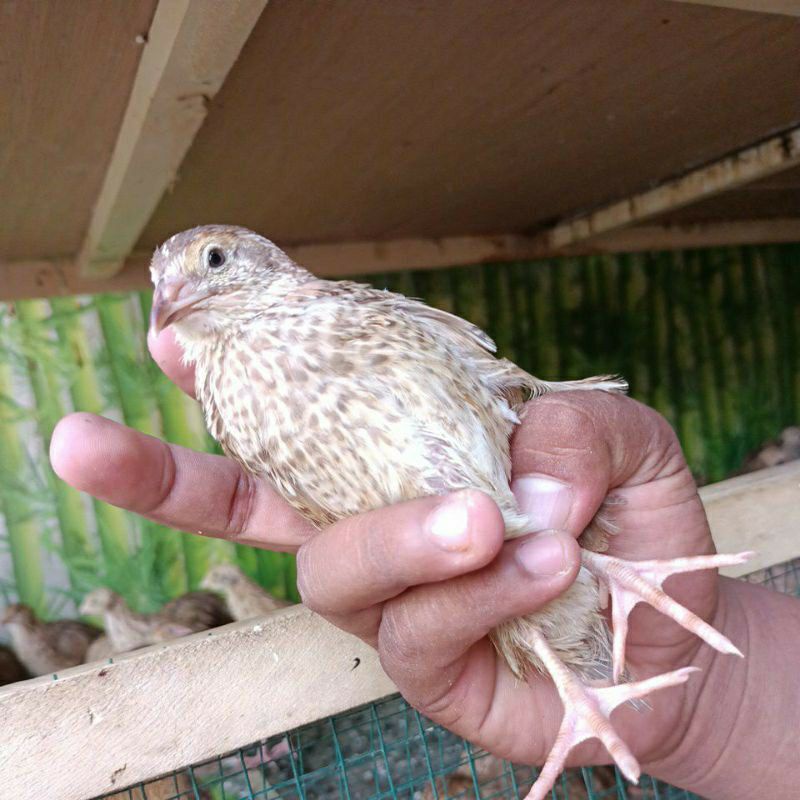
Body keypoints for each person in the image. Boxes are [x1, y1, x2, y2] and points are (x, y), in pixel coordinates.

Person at [49, 329, 800, 800]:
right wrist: (705, 707)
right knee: (490, 564)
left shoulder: (356, 319)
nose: (177, 294)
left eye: (212, 260)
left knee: (507, 539)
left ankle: (605, 598)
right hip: (642, 668)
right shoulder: (254, 413)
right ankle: (591, 651)